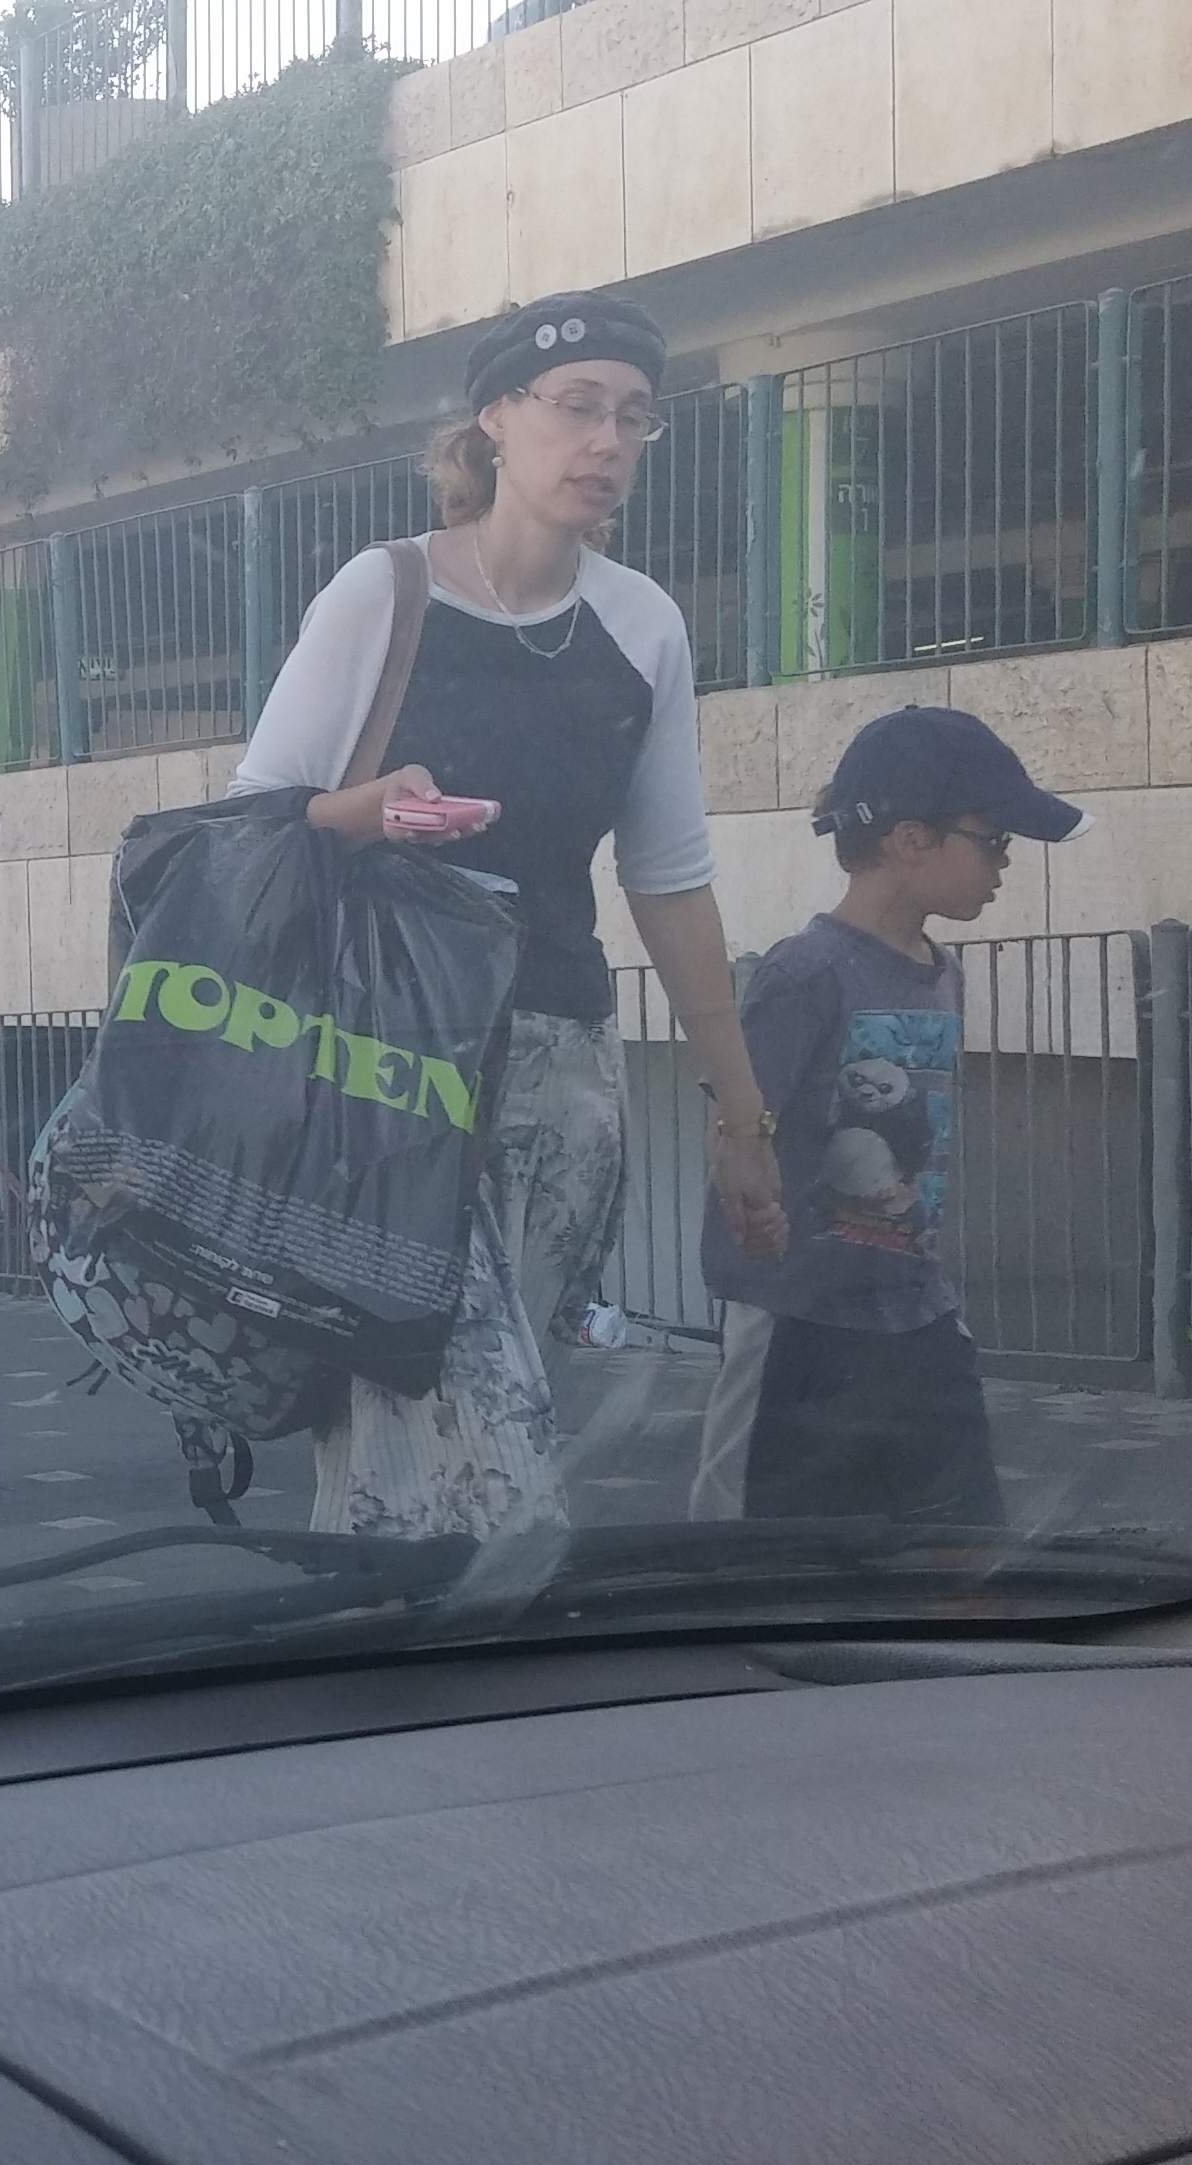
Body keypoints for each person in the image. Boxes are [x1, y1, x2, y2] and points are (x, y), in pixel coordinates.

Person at [227, 288, 787, 1542]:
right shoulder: (382, 593)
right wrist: (367, 809)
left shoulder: (641, 625)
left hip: (559, 1077)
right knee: (451, 1441)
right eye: (577, 407)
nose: (607, 441)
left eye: (632, 417)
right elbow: (250, 822)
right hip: (382, 1073)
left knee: (470, 1415)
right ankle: (445, 1621)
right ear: (494, 418)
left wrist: (742, 1119)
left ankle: (395, 1626)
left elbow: (668, 878)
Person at [689, 706, 1089, 1526]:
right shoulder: (807, 972)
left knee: (956, 1545)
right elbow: (734, 1117)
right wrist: (747, 1196)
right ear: (910, 839)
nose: (1004, 865)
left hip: (916, 1316)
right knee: (761, 1558)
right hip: (798, 1321)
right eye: (994, 841)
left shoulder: (942, 971)